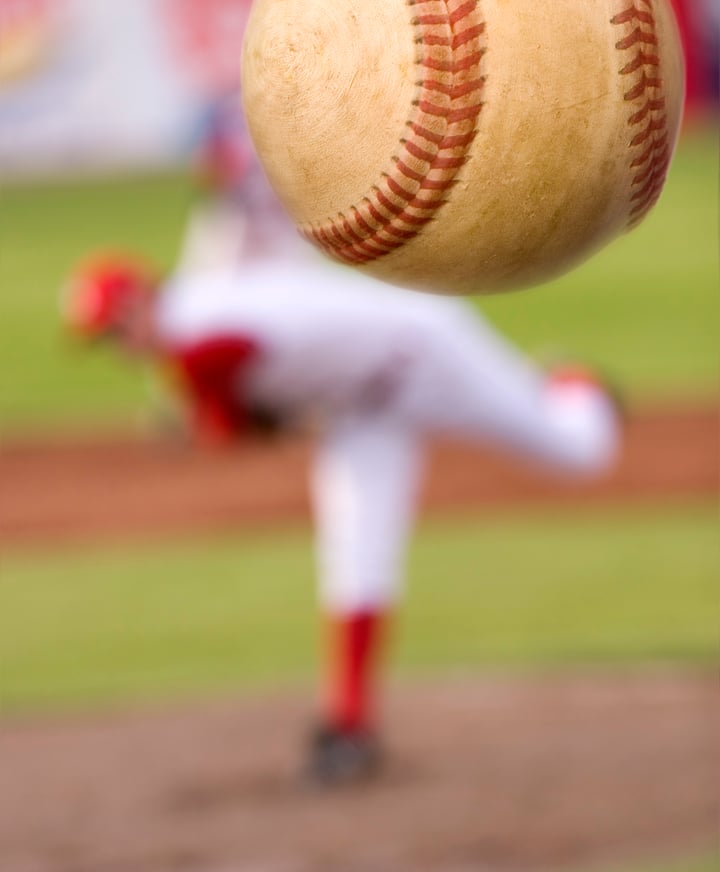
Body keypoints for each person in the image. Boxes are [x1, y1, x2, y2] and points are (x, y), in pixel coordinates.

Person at [60, 249, 623, 787]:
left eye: (113, 330)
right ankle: (350, 727)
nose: (117, 346)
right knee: (355, 557)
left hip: (426, 354)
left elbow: (229, 422)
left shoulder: (196, 333)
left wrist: (195, 426)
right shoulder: (196, 313)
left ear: (139, 302)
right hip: (360, 406)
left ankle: (573, 383)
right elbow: (251, 408)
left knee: (579, 451)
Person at [175, 89, 314, 273]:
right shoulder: (221, 110)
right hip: (234, 217)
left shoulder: (284, 105)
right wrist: (224, 171)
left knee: (294, 283)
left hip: (279, 220)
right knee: (211, 279)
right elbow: (202, 171)